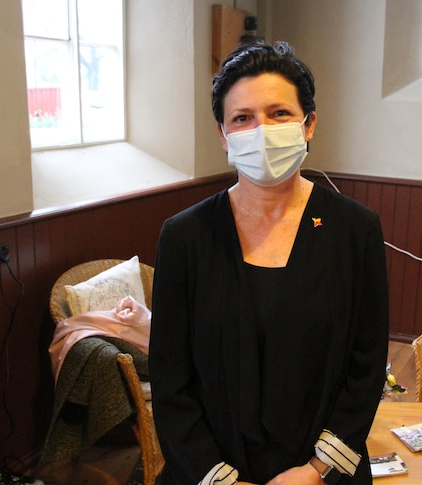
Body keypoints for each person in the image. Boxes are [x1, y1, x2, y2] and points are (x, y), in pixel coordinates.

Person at [149, 41, 389, 485]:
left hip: (321, 472)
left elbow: (368, 364)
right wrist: (218, 477)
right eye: (243, 118)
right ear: (223, 134)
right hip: (210, 471)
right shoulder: (184, 236)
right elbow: (169, 380)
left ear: (308, 123)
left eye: (279, 113)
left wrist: (316, 471)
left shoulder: (355, 230)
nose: (261, 130)